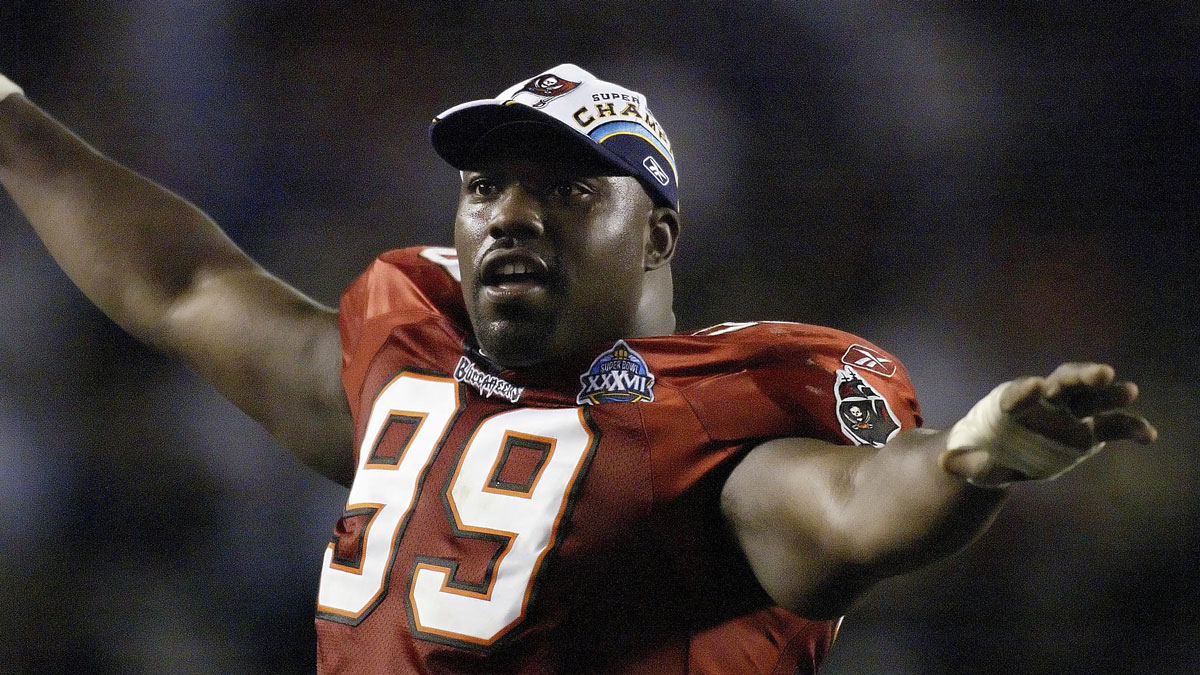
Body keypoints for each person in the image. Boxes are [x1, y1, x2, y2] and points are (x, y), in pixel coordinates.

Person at [0, 64, 1155, 674]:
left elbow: (853, 504)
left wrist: (968, 462)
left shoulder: (708, 423)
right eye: (484, 187)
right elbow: (187, 286)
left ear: (656, 236)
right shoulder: (410, 364)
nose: (509, 215)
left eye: (564, 191)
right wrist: (14, 126)